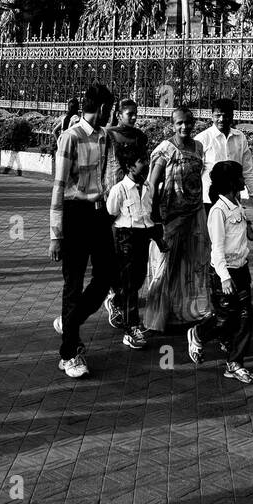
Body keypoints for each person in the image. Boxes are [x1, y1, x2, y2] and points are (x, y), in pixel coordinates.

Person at [49, 82, 116, 379]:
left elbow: (107, 178)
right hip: (75, 214)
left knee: (107, 276)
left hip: (99, 214)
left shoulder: (104, 137)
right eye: (109, 110)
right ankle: (69, 353)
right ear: (101, 108)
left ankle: (70, 321)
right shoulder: (70, 137)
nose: (110, 115)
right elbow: (59, 186)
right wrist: (55, 234)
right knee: (73, 284)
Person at [187, 160, 253, 384]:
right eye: (240, 176)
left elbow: (251, 235)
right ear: (231, 182)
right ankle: (199, 333)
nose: (243, 179)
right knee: (225, 318)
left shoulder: (238, 206)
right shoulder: (218, 211)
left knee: (246, 317)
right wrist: (225, 278)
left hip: (241, 270)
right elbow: (216, 249)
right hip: (223, 274)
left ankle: (235, 363)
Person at [144, 105, 210, 329]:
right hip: (170, 215)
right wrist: (152, 217)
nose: (184, 126)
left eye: (188, 122)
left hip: (194, 213)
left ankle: (187, 310)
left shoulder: (199, 147)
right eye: (179, 122)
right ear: (172, 125)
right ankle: (156, 317)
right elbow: (152, 183)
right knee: (165, 266)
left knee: (193, 262)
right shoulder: (166, 148)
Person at [102, 98, 150, 330]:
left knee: (139, 265)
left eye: (135, 113)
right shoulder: (108, 135)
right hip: (114, 197)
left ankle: (120, 297)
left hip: (136, 199)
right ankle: (116, 297)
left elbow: (144, 164)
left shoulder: (140, 137)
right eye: (129, 113)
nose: (133, 117)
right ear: (119, 114)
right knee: (118, 256)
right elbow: (102, 164)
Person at [106, 145, 155, 351]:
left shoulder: (149, 188)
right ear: (128, 167)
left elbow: (150, 215)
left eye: (146, 165)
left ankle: (116, 301)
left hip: (143, 238)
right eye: (141, 165)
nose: (145, 169)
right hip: (126, 239)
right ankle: (131, 328)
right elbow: (110, 215)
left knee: (137, 280)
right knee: (130, 287)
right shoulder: (120, 190)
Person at [195, 98, 253, 219]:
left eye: (225, 115)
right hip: (208, 202)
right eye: (218, 115)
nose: (221, 119)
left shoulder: (240, 138)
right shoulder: (202, 139)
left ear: (232, 116)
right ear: (212, 116)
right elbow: (195, 174)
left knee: (234, 235)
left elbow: (248, 172)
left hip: (233, 201)